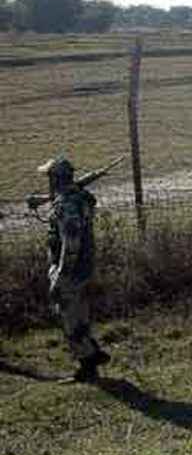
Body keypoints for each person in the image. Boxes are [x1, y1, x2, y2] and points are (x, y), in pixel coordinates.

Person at [40, 158, 110, 384]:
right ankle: (91, 352)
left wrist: (60, 278)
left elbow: (71, 245)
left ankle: (87, 364)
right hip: (84, 268)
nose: (47, 183)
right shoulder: (78, 197)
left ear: (55, 179)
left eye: (49, 178)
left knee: (69, 318)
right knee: (80, 314)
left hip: (71, 271)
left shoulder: (67, 205)